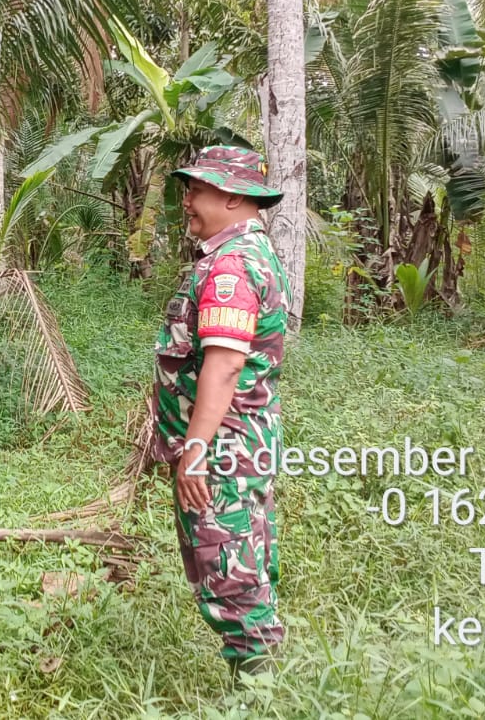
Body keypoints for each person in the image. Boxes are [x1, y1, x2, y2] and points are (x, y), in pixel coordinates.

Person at [150, 146, 291, 682]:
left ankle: (258, 693)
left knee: (229, 569)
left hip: (224, 449)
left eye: (197, 190)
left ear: (231, 195)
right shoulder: (248, 254)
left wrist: (195, 451)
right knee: (243, 556)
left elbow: (225, 367)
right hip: (239, 443)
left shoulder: (231, 265)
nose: (186, 200)